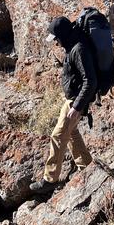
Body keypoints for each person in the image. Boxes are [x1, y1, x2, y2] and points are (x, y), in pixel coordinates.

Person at [29, 16, 96, 193]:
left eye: (56, 38)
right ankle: (88, 168)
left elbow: (90, 81)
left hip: (75, 101)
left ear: (63, 35)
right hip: (72, 99)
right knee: (71, 132)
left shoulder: (78, 49)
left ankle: (50, 180)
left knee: (58, 135)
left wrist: (77, 106)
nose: (56, 43)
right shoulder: (72, 45)